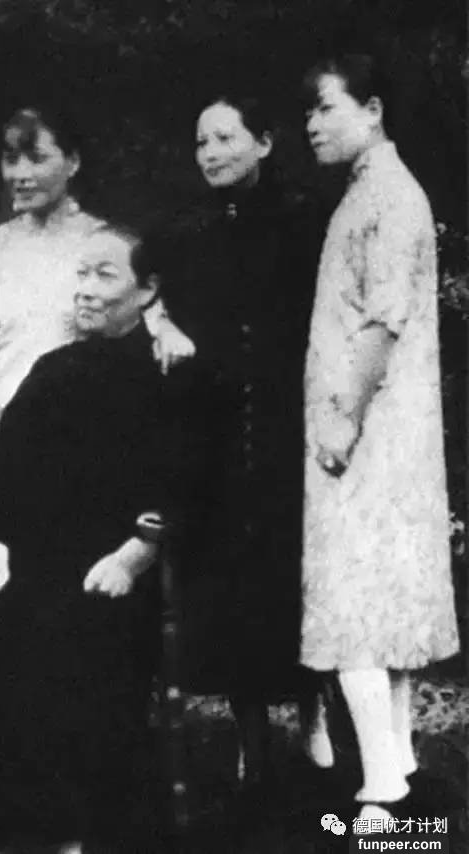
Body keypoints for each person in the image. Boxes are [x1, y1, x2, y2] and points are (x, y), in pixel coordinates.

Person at [0, 103, 194, 811]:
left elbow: (140, 303)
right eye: (10, 158)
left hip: (95, 450)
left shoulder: (102, 244)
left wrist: (168, 327)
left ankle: (51, 782)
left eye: (36, 157)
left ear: (74, 162)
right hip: (8, 445)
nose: (20, 173)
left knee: (59, 612)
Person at [301, 53, 459, 824]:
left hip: (371, 434)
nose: (312, 124)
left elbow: (382, 323)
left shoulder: (391, 198)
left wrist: (342, 421)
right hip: (378, 432)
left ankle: (383, 787)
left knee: (355, 603)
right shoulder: (369, 194)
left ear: (372, 109)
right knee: (377, 603)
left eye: (326, 108)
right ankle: (396, 762)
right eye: (307, 112)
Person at [154, 92, 325, 796]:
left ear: (264, 142)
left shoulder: (305, 221)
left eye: (226, 138)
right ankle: (250, 740)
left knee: (295, 577)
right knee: (230, 586)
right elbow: (142, 280)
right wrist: (162, 320)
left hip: (289, 427)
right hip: (218, 434)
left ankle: (314, 714)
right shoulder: (190, 228)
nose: (212, 153)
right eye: (202, 141)